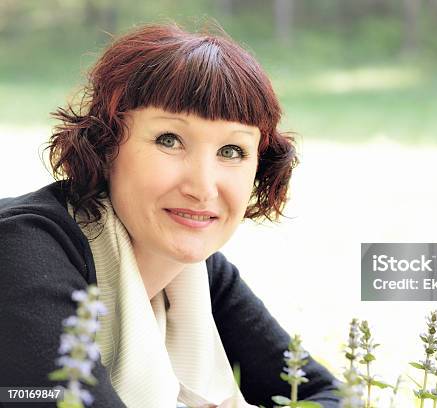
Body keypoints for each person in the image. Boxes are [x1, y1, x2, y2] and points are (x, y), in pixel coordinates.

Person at [0, 22, 340, 407]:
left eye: (231, 151)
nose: (203, 187)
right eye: (169, 140)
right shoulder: (20, 250)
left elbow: (325, 396)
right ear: (105, 145)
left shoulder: (198, 274)